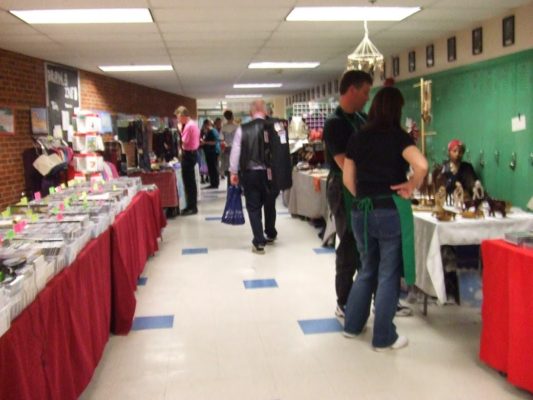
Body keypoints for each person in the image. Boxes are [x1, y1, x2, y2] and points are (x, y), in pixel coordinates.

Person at [342, 86, 428, 351]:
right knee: (388, 272)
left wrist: (365, 196)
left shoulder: (358, 138)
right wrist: (411, 185)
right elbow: (422, 165)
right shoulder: (399, 138)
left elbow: (347, 179)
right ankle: (384, 337)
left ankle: (353, 326)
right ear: (396, 110)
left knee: (367, 267)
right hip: (389, 211)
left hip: (362, 211)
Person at [323, 70, 373, 318]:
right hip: (342, 188)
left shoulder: (363, 120)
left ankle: (366, 295)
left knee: (367, 242)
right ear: (352, 90)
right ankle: (344, 300)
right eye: (365, 92)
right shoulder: (335, 124)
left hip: (365, 187)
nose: (367, 97)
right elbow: (345, 164)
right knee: (349, 242)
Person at [229, 100, 280, 254]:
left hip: (250, 173)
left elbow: (236, 152)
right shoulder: (275, 128)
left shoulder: (242, 129)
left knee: (253, 206)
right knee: (270, 203)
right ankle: (270, 233)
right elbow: (281, 151)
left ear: (251, 113)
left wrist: (233, 172)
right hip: (271, 173)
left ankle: (259, 242)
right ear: (266, 111)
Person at [175, 106, 200, 216]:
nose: (178, 120)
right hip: (192, 154)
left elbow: (184, 141)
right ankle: (191, 205)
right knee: (190, 182)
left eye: (178, 117)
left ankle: (192, 207)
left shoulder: (188, 126)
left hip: (189, 155)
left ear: (183, 116)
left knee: (189, 182)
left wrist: (180, 130)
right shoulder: (193, 124)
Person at [220, 110, 239, 184]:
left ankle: (229, 187)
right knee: (236, 170)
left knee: (228, 169)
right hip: (236, 150)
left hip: (227, 150)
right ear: (232, 116)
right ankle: (236, 187)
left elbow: (221, 139)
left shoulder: (223, 127)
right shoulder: (237, 127)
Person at [201, 119, 220, 189]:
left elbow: (214, 142)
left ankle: (215, 183)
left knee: (213, 168)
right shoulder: (210, 131)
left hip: (213, 153)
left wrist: (205, 142)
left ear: (207, 124)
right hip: (210, 153)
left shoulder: (212, 131)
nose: (204, 127)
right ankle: (213, 183)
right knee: (211, 168)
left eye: (205, 125)